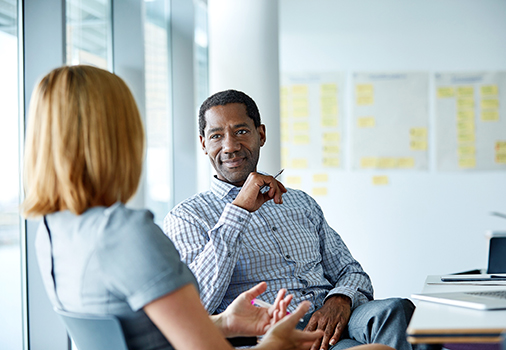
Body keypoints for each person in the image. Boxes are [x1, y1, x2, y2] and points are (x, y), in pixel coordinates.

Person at [22, 65, 327, 350]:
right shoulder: (126, 233)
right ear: (119, 138)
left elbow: (140, 334)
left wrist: (223, 322)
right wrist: (276, 343)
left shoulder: (52, 231)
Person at [163, 89, 416, 350]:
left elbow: (350, 271)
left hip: (338, 317)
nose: (230, 146)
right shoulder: (187, 217)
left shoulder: (300, 202)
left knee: (395, 310)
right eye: (217, 136)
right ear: (204, 144)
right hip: (278, 336)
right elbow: (197, 303)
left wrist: (340, 299)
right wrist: (238, 211)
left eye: (241, 132)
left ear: (260, 134)